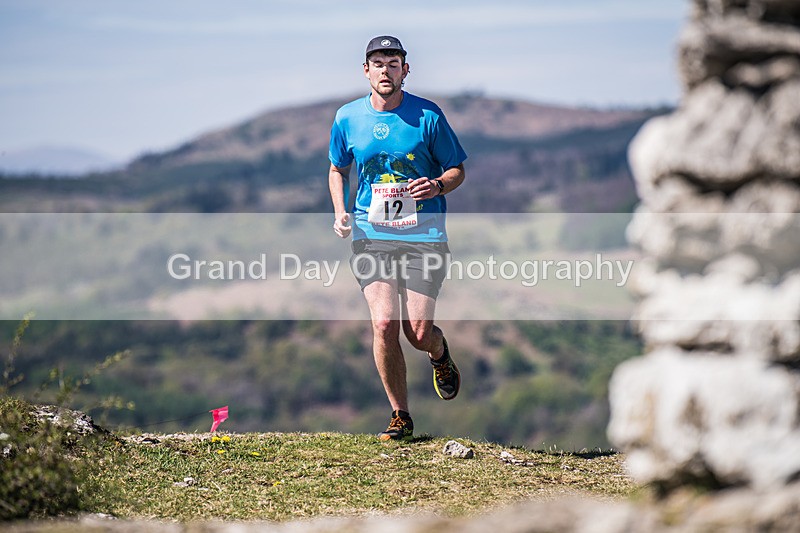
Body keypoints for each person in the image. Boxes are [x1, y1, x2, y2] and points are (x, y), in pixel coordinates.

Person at [328, 35, 467, 441]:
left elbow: (456, 168)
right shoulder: (347, 117)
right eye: (378, 63)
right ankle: (400, 416)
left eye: (393, 63)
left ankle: (440, 355)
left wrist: (439, 186)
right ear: (366, 70)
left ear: (405, 70)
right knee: (385, 322)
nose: (385, 70)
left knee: (418, 333)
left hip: (424, 235)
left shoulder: (428, 116)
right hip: (372, 235)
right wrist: (340, 211)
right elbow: (338, 168)